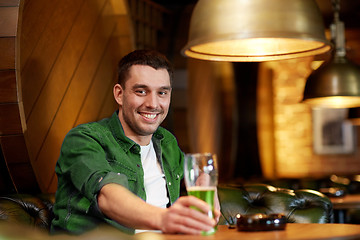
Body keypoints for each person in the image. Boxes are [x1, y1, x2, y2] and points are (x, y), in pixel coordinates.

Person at [50, 49, 220, 235]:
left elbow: (202, 202)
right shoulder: (84, 139)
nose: (153, 104)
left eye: (162, 93)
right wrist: (163, 219)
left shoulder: (167, 142)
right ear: (119, 94)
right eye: (141, 91)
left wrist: (207, 187)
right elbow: (107, 196)